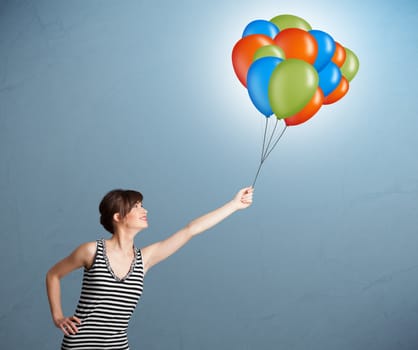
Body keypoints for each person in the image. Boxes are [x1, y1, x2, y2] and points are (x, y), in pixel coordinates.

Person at [46, 186, 254, 349]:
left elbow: (191, 230)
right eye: (136, 206)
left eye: (142, 205)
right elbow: (53, 275)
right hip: (81, 346)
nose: (144, 210)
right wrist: (57, 316)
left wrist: (234, 205)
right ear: (118, 217)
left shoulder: (144, 259)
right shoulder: (91, 251)